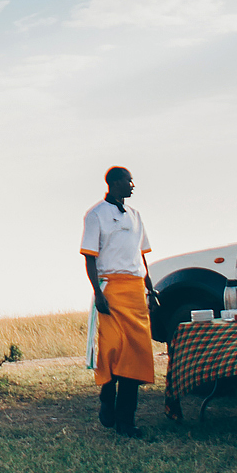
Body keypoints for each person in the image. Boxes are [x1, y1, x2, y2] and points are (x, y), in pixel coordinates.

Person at [82, 166, 155, 438]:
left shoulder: (136, 216)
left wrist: (150, 287)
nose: (133, 185)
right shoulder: (96, 215)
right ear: (114, 183)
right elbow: (90, 257)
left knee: (135, 356)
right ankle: (106, 394)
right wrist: (98, 294)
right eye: (129, 180)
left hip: (135, 290)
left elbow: (141, 256)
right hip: (111, 290)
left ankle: (127, 420)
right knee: (112, 350)